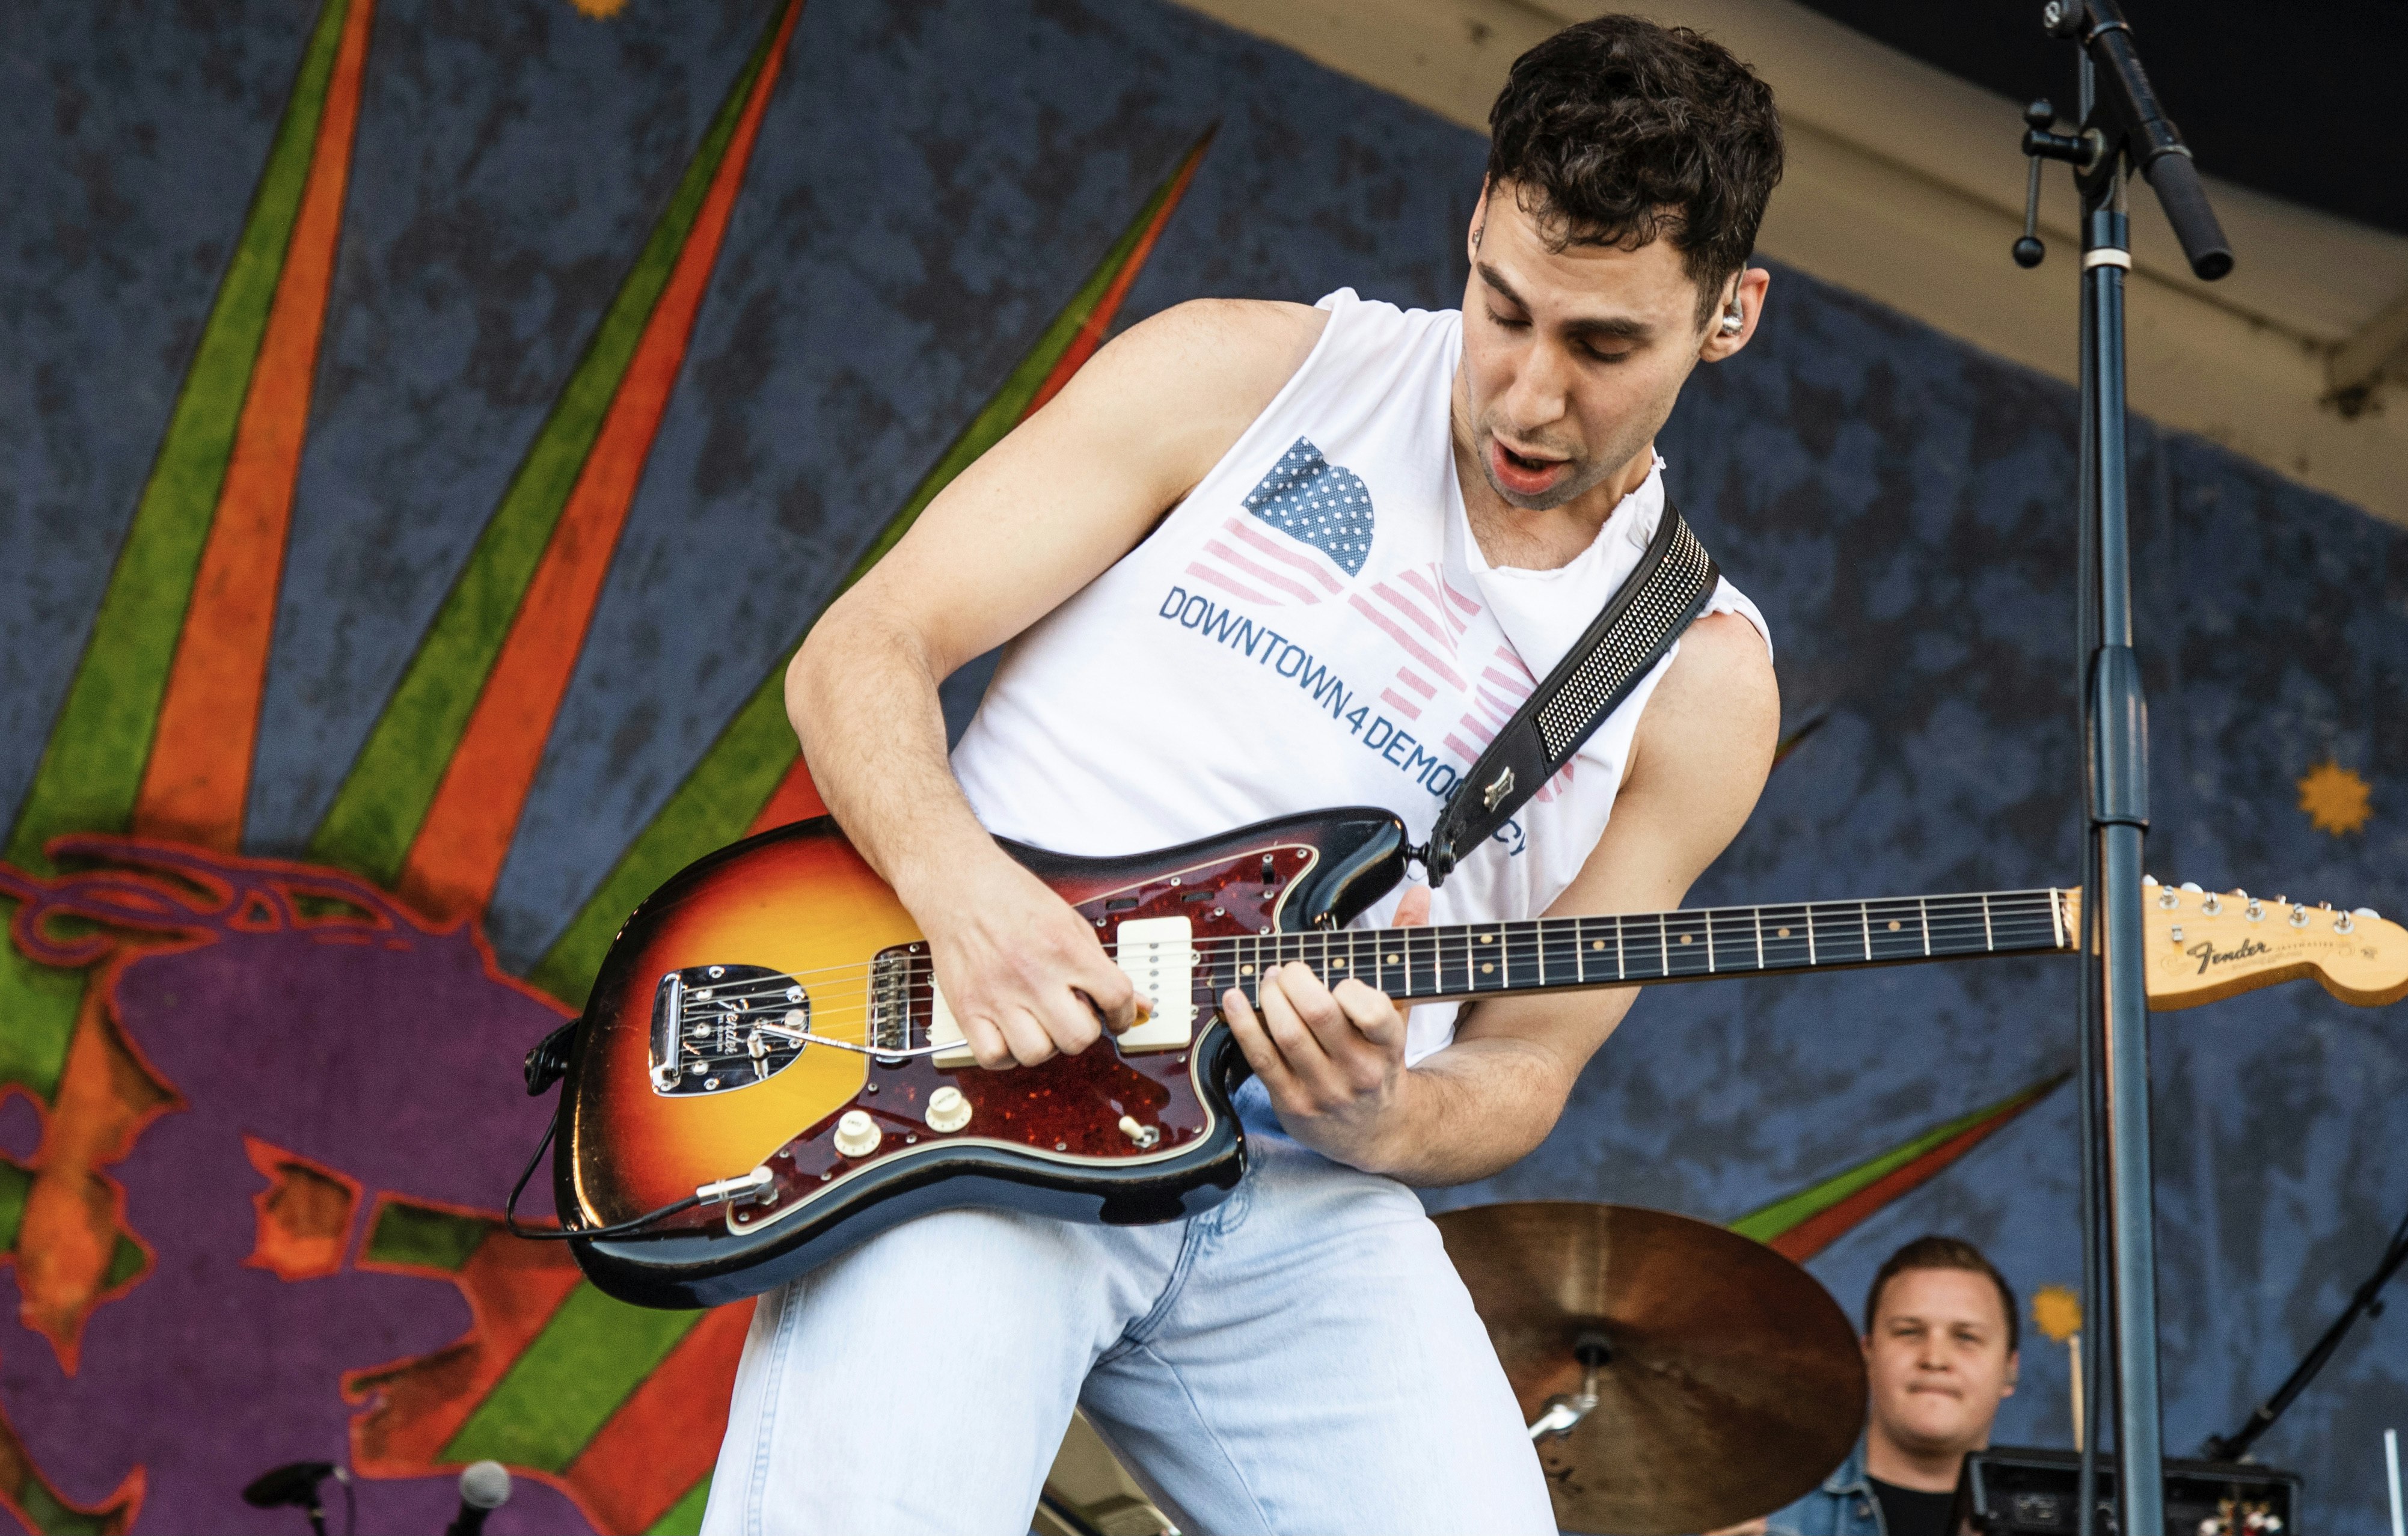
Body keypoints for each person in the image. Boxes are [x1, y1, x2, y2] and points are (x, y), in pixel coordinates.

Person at [699, 17, 1785, 1535]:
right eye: (1505, 310)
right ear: (1476, 223)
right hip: (983, 1090)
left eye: (1605, 346)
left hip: (1297, 1194)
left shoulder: (1702, 679)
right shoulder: (1244, 377)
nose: (1531, 396)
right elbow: (863, 648)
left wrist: (1388, 1118)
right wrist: (965, 893)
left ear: (1728, 315)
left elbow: (1530, 1064)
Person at [1719, 1235, 2024, 1536]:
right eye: (1908, 1332)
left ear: (2009, 1371)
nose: (1934, 1359)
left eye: (1966, 1337)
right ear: (1868, 1356)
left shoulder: (2066, 1518)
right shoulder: (1753, 1504)